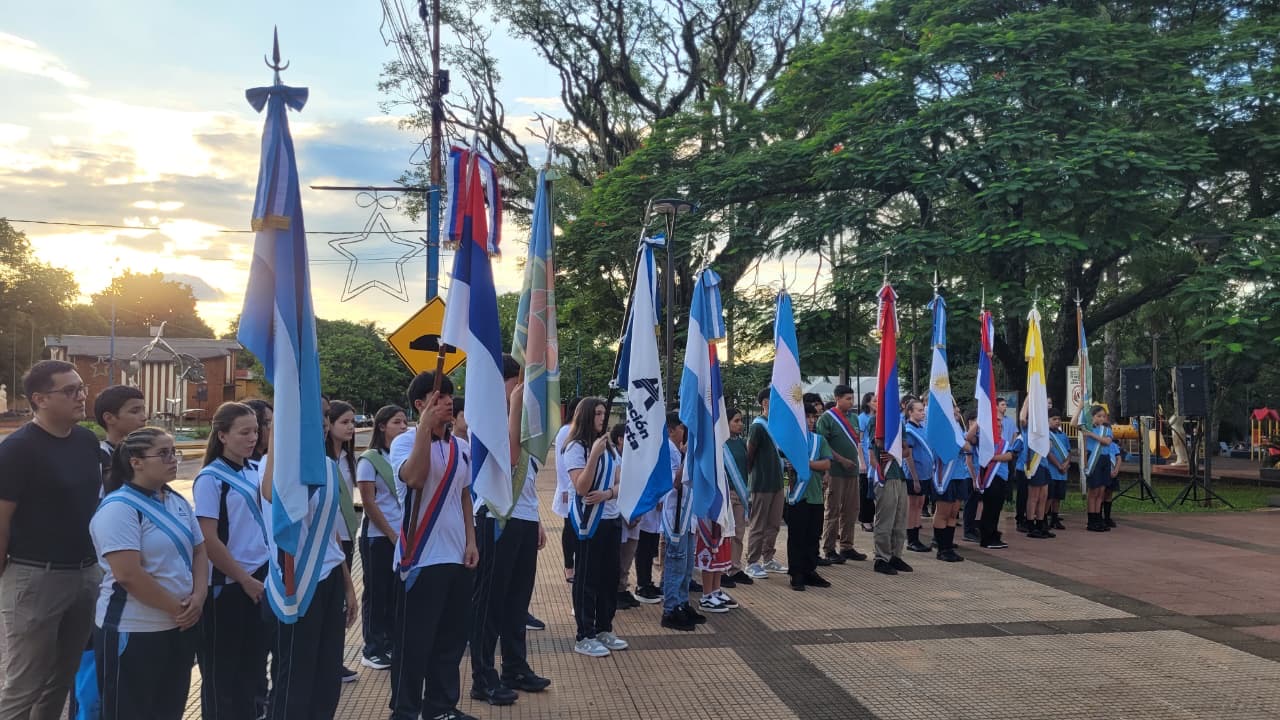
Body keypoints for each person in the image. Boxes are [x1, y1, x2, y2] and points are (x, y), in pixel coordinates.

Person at [0, 360, 102, 720]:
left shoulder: (87, 441)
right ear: (40, 399)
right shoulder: (18, 450)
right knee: (24, 684)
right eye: (70, 391)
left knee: (60, 680)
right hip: (35, 577)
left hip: (86, 574)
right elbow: (2, 520)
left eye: (81, 388)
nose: (81, 396)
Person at [91, 427, 206, 719]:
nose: (173, 459)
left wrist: (199, 596)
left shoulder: (176, 501)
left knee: (168, 709)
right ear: (136, 461)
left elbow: (199, 551)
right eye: (163, 453)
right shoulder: (119, 508)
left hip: (177, 626)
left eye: (173, 451)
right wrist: (179, 610)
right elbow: (128, 574)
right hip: (134, 629)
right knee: (129, 711)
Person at [260, 403, 358, 720]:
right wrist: (279, 431)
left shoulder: (328, 468)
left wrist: (348, 585)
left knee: (327, 674)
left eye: (322, 418)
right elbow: (272, 495)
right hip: (296, 582)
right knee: (295, 679)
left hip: (328, 577)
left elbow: (330, 534)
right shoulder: (272, 468)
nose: (319, 423)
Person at [389, 371, 478, 720]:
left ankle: (441, 707)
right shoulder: (403, 443)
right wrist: (424, 429)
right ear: (420, 404)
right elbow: (414, 478)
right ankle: (405, 710)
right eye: (438, 397)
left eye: (448, 398)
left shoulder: (462, 447)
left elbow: (465, 496)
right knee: (414, 643)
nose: (446, 403)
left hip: (457, 554)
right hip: (421, 558)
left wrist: (471, 541)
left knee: (450, 641)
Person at [469, 354, 552, 706]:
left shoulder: (522, 419)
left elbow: (528, 478)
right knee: (489, 602)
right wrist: (515, 406)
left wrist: (537, 520)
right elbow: (511, 459)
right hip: (495, 518)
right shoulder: (485, 419)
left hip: (523, 518)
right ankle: (482, 676)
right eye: (514, 380)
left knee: (518, 600)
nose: (520, 387)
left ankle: (514, 666)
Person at [70, 384, 148, 720]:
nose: (144, 417)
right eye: (134, 411)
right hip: (105, 575)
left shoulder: (149, 459)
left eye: (144, 409)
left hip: (140, 577)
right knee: (93, 668)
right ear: (109, 418)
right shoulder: (98, 459)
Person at [194, 402, 271, 720]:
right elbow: (208, 540)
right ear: (222, 435)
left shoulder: (257, 470)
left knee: (253, 665)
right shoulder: (210, 479)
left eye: (256, 430)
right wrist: (243, 578)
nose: (253, 437)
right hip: (227, 586)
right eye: (244, 432)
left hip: (261, 578)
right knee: (222, 673)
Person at [562, 398, 629, 654]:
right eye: (598, 414)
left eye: (604, 413)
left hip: (611, 518)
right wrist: (594, 457)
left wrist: (608, 494)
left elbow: (622, 482)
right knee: (587, 579)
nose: (603, 418)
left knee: (609, 577)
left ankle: (604, 627)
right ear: (587, 416)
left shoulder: (609, 447)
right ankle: (584, 634)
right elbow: (581, 486)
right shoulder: (576, 447)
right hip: (588, 523)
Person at [357, 405, 409, 671]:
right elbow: (369, 502)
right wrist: (391, 534)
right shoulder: (370, 459)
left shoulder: (404, 455)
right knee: (377, 593)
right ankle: (372, 647)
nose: (403, 426)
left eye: (405, 422)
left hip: (402, 537)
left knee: (395, 593)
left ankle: (389, 642)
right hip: (379, 538)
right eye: (397, 422)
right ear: (381, 426)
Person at [323, 400, 361, 683]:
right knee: (330, 600)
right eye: (344, 422)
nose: (350, 427)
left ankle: (335, 661)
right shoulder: (322, 462)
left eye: (352, 422)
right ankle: (327, 662)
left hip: (346, 535)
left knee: (341, 602)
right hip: (324, 539)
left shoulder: (349, 459)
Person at [815, 384, 867, 564]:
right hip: (836, 471)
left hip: (852, 472)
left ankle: (847, 546)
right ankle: (829, 548)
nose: (851, 402)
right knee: (833, 510)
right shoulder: (827, 419)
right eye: (848, 399)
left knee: (851, 510)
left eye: (852, 399)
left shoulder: (854, 418)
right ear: (837, 398)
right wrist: (841, 460)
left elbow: (856, 442)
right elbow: (824, 445)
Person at [786, 407, 832, 591]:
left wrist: (806, 464)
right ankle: (796, 573)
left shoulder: (819, 441)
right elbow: (786, 464)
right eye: (808, 417)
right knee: (797, 536)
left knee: (813, 536)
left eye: (814, 417)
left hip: (815, 496)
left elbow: (827, 463)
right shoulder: (792, 441)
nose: (812, 420)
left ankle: (810, 570)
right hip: (797, 495)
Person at [745, 387, 786, 579]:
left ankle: (768, 558)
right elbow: (750, 453)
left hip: (777, 483)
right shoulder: (758, 426)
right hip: (762, 483)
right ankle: (752, 561)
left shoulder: (777, 425)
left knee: (774, 523)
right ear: (765, 403)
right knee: (758, 524)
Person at [871, 398, 914, 577]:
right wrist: (879, 470)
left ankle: (896, 555)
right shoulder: (876, 422)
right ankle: (881, 558)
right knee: (885, 519)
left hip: (899, 475)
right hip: (885, 476)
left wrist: (897, 452)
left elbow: (906, 451)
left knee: (900, 519)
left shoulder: (899, 424)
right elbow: (874, 448)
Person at [931, 406, 974, 562]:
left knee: (953, 513)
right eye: (953, 411)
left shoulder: (958, 430)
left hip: (958, 475)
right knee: (943, 512)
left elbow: (968, 447)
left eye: (958, 411)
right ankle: (941, 548)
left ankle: (948, 547)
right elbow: (940, 450)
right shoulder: (940, 430)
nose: (957, 413)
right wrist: (959, 445)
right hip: (945, 476)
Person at [978, 411, 1021, 549]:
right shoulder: (985, 441)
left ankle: (994, 534)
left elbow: (1009, 455)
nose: (999, 425)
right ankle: (987, 537)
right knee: (989, 508)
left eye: (1000, 423)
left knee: (997, 508)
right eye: (996, 423)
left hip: (1002, 477)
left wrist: (994, 457)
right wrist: (997, 457)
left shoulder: (1004, 442)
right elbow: (985, 457)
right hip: (992, 478)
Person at [721, 408, 753, 587]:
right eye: (736, 421)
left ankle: (734, 568)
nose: (740, 424)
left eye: (741, 421)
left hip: (740, 493)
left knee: (738, 533)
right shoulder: (720, 443)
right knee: (725, 533)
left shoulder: (741, 443)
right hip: (726, 493)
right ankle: (722, 569)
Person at [551, 397, 581, 584]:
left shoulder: (578, 432)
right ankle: (569, 566)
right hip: (569, 488)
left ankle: (576, 564)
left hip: (578, 489)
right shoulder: (565, 432)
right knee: (569, 529)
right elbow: (562, 464)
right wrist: (568, 487)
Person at [902, 398, 933, 553]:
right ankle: (911, 539)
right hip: (914, 475)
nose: (922, 413)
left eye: (923, 410)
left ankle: (916, 535)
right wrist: (914, 478)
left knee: (920, 505)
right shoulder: (908, 430)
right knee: (912, 506)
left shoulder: (922, 428)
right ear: (910, 412)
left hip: (925, 474)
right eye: (919, 410)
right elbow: (909, 456)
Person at [1082, 406, 1117, 532]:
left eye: (1103, 416)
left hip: (1105, 459)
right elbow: (1085, 447)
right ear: (1092, 417)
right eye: (1098, 416)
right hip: (1094, 460)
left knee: (1101, 491)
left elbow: (1107, 442)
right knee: (1093, 491)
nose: (1101, 418)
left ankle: (1098, 518)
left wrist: (1091, 434)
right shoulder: (1087, 428)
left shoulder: (1106, 429)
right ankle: (1091, 520)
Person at [1046, 412, 1071, 530]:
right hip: (1051, 471)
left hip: (1062, 473)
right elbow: (1048, 453)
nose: (1057, 421)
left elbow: (1068, 452)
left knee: (1058, 497)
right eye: (1054, 418)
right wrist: (1058, 465)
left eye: (1059, 419)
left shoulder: (1063, 435)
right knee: (1049, 497)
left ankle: (1055, 519)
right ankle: (1044, 518)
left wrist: (1065, 465)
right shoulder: (1047, 435)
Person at [857, 392, 877, 531]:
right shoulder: (862, 418)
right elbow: (859, 441)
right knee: (866, 492)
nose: (877, 403)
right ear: (868, 403)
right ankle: (865, 520)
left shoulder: (878, 418)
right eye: (874, 400)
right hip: (866, 460)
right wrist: (862, 462)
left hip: (876, 461)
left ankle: (873, 518)